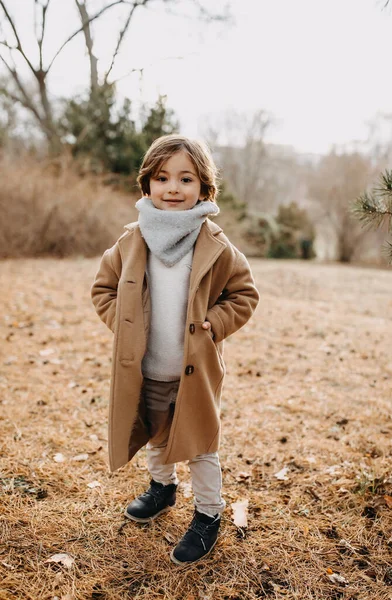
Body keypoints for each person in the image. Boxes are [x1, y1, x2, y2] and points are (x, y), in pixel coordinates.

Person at [91, 134, 259, 565]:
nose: (172, 188)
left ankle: (208, 514)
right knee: (153, 432)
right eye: (162, 178)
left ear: (204, 189)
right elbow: (103, 290)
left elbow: (244, 295)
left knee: (201, 445)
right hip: (146, 367)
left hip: (193, 371)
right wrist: (125, 324)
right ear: (146, 185)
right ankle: (162, 488)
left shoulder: (216, 245)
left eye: (186, 179)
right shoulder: (131, 242)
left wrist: (215, 324)